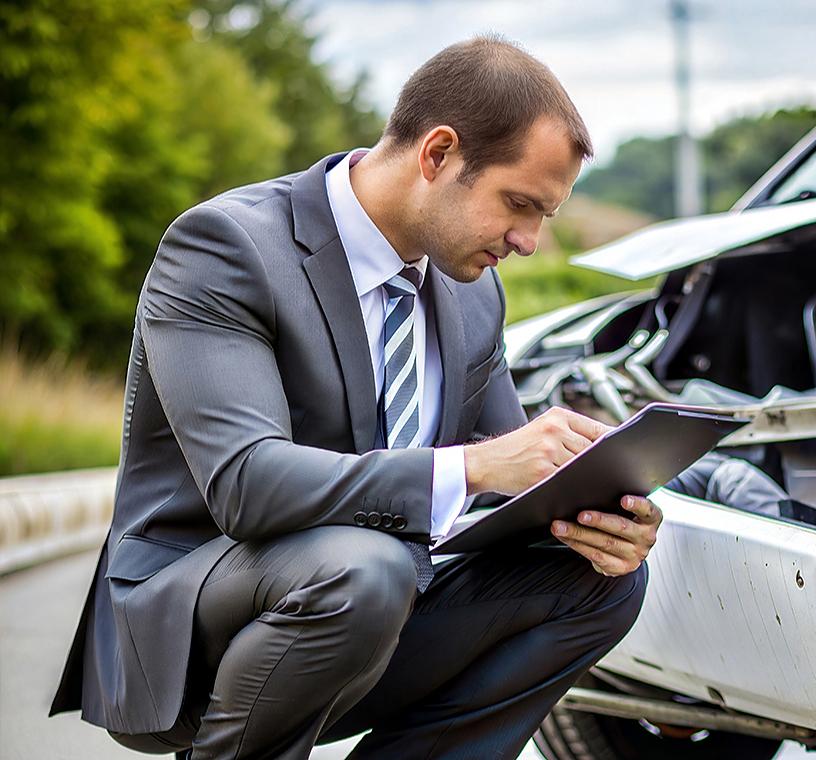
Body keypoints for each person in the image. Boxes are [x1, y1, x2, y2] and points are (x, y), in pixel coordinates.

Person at [50, 36, 660, 759]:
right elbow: (248, 486)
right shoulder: (225, 247)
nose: (528, 241)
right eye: (519, 204)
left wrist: (597, 517)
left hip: (378, 605)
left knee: (598, 582)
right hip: (195, 625)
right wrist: (473, 468)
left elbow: (511, 490)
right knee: (366, 569)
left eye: (544, 217)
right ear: (438, 155)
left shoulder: (472, 297)